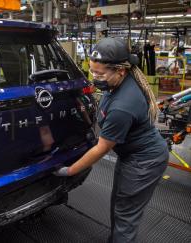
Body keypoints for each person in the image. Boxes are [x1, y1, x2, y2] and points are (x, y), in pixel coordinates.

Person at [54, 38, 169, 243]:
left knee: (126, 214)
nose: (94, 76)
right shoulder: (119, 82)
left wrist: (69, 170)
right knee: (120, 203)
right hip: (131, 155)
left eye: (100, 73)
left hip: (144, 161)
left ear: (120, 71)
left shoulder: (123, 106)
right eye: (92, 71)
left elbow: (101, 148)